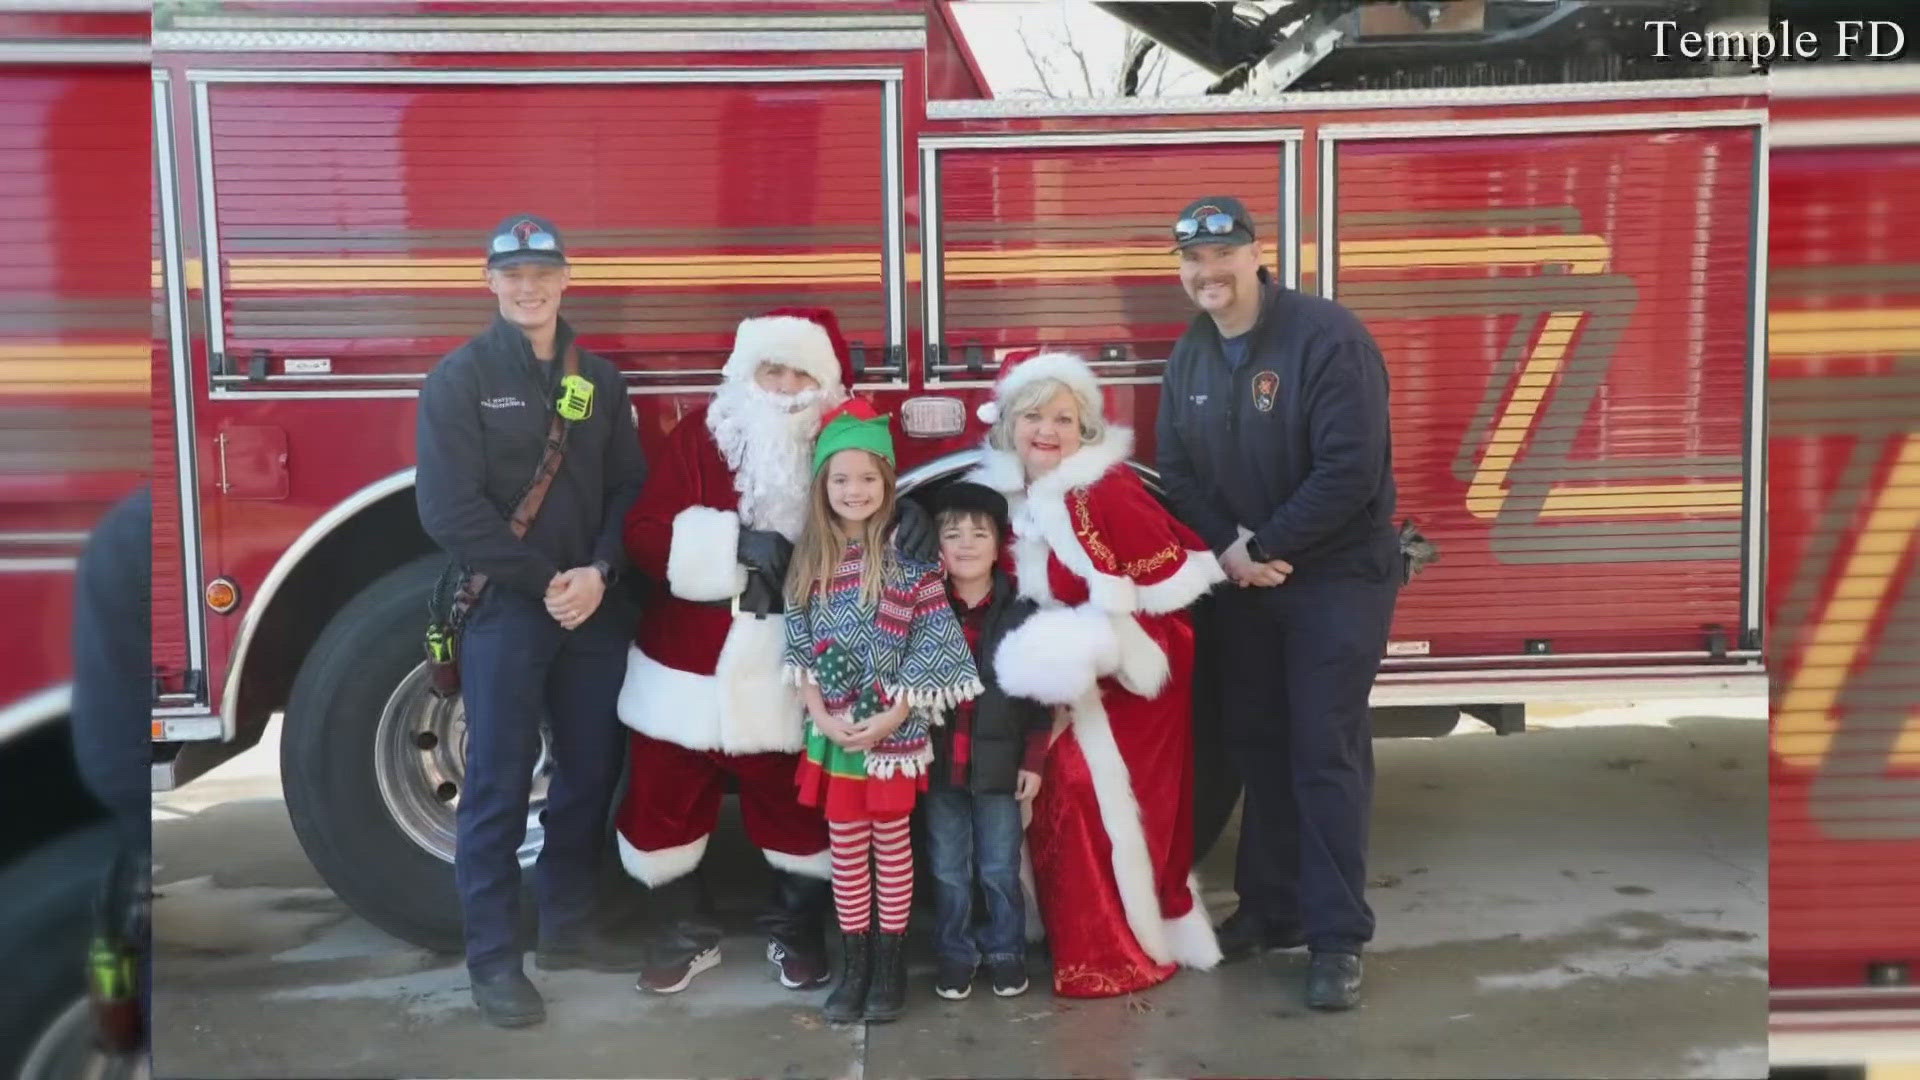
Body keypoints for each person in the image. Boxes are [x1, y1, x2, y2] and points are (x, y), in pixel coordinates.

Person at [612, 307, 937, 995]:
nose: (786, 385)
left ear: (824, 382)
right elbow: (642, 534)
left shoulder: (845, 439)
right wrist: (730, 543)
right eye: (772, 369)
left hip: (800, 656)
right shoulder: (704, 434)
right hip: (689, 659)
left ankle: (793, 927)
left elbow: (873, 504)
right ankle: (680, 930)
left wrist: (906, 517)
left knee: (798, 804)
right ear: (746, 374)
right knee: (661, 796)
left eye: (800, 372)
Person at [1153, 196, 1402, 1011]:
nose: (1207, 272)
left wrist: (1260, 548)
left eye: (1222, 255)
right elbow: (1177, 472)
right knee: (1256, 743)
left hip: (1336, 576)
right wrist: (1233, 546)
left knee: (1321, 749)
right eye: (1193, 259)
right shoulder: (1191, 354)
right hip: (1245, 576)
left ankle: (1337, 939)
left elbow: (1350, 470)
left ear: (1257, 254)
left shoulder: (1328, 337)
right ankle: (1270, 909)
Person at [414, 213, 648, 1028]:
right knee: (498, 787)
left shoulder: (603, 381)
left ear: (564, 279)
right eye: (512, 274)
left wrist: (601, 571)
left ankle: (570, 929)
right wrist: (552, 579)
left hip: (593, 606)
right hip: (509, 612)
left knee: (589, 775)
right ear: (490, 283)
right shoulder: (460, 379)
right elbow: (448, 510)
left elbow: (628, 491)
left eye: (542, 272)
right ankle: (493, 962)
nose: (528, 286)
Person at [968, 349, 1227, 999]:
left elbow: (1171, 604)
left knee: (1087, 796)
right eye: (1034, 414)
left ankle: (1112, 949)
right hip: (1060, 682)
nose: (1048, 429)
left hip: (1129, 687)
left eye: (1065, 416)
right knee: (1042, 794)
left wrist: (1091, 659)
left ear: (1085, 428)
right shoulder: (1006, 492)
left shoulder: (1105, 489)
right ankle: (1061, 930)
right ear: (1010, 423)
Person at [782, 399, 982, 1025]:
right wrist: (819, 710)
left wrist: (897, 715)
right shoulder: (807, 561)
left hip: (891, 731)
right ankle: (856, 962)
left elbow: (934, 639)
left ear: (888, 484)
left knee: (891, 844)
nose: (854, 490)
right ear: (822, 486)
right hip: (836, 731)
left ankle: (890, 966)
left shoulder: (911, 560)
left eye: (869, 478)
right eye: (840, 479)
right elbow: (797, 642)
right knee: (845, 849)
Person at [920, 481, 1051, 1001]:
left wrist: (1034, 761)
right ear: (938, 548)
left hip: (999, 769)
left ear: (1000, 545)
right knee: (948, 869)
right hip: (940, 768)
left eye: (980, 534)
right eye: (953, 535)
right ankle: (955, 953)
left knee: (999, 867)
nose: (967, 544)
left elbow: (1040, 695)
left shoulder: (1022, 608)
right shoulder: (926, 607)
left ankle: (1005, 951)